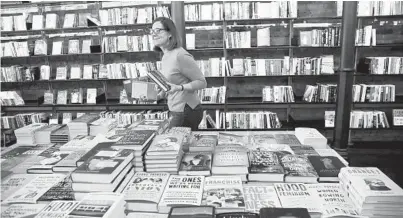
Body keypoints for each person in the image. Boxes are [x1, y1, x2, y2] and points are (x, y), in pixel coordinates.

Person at [150, 17, 207, 131]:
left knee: (173, 144)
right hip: (175, 109)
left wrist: (179, 88)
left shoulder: (180, 55)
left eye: (158, 30)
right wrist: (158, 95)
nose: (154, 34)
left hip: (186, 110)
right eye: (152, 31)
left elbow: (202, 83)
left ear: (170, 33)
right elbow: (172, 83)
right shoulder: (166, 55)